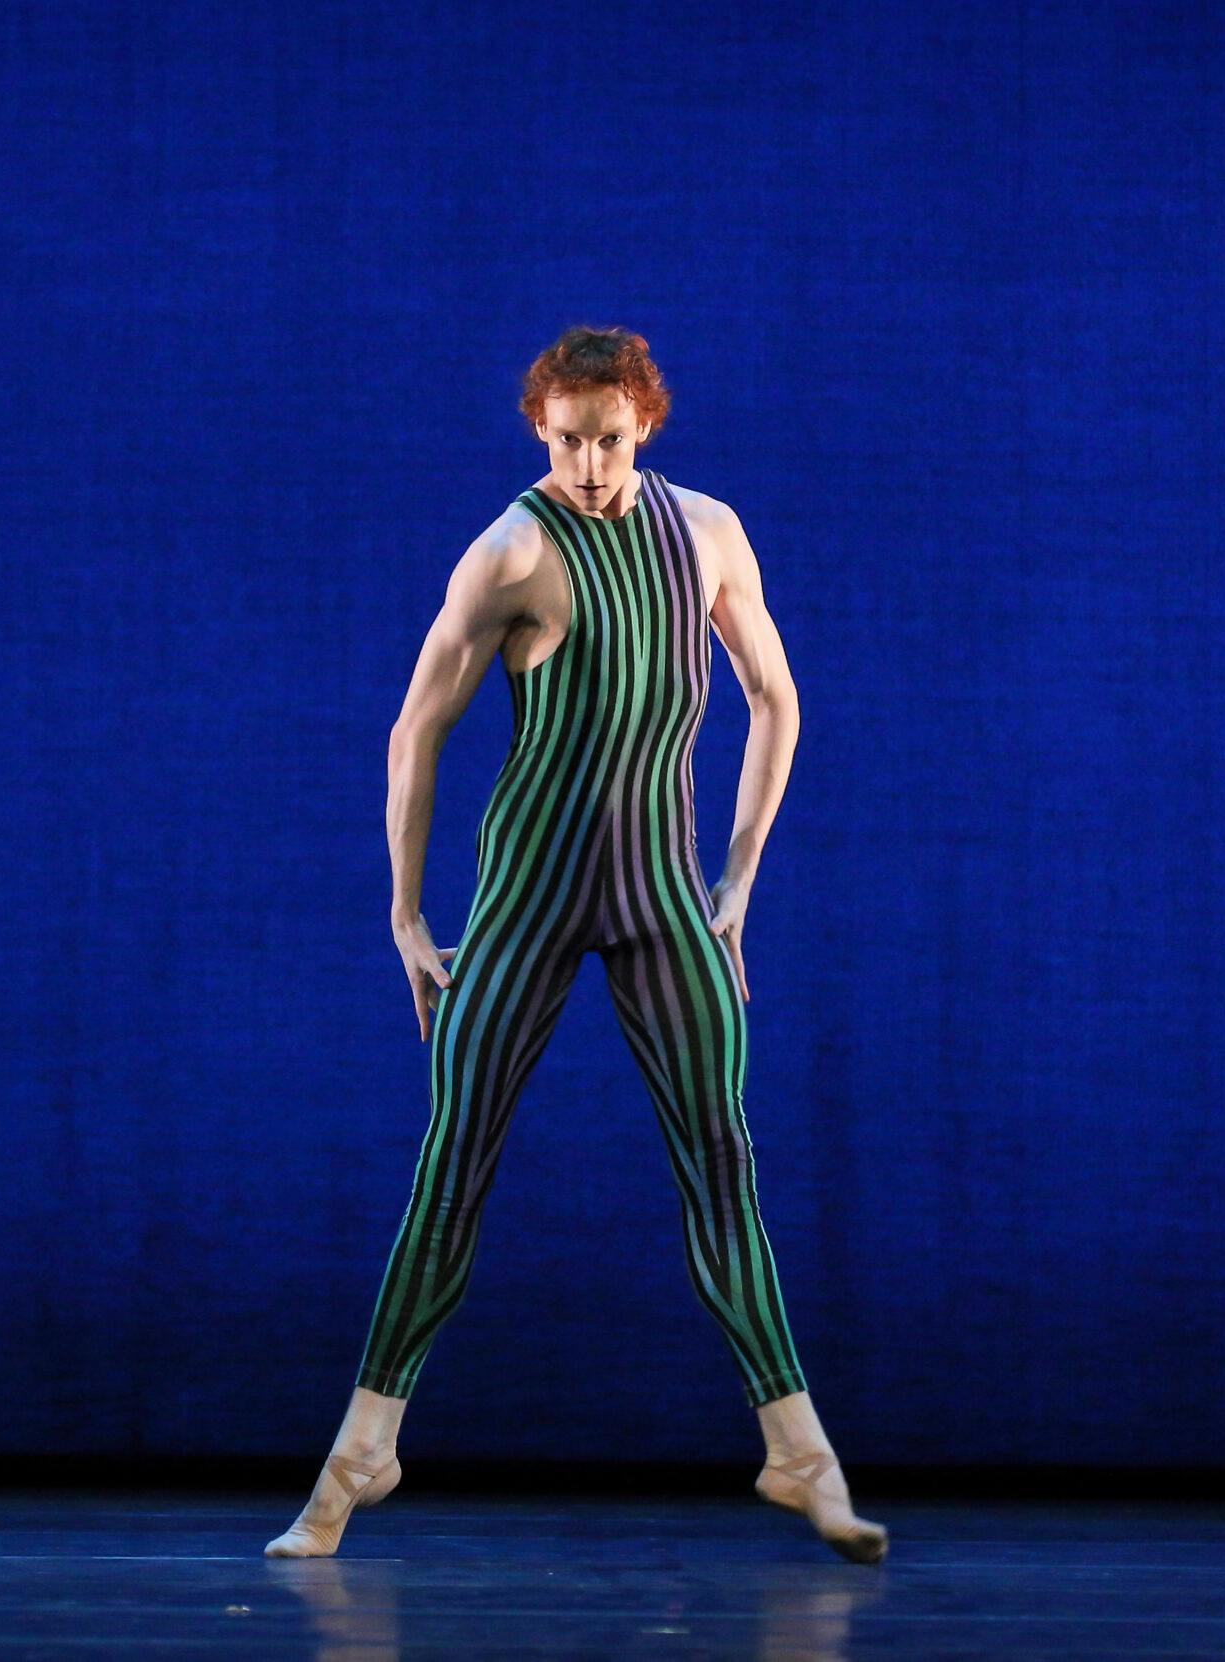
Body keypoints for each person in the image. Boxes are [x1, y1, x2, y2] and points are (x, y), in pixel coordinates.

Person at [266, 326, 885, 1564]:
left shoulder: (707, 532)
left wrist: (740, 876)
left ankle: (799, 1454)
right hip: (529, 899)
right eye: (566, 441)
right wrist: (405, 914)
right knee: (452, 1164)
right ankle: (362, 1452)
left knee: (723, 1157)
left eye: (608, 439)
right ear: (537, 431)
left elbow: (775, 695)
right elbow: (414, 731)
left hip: (661, 897)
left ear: (644, 424)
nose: (590, 465)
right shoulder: (511, 551)